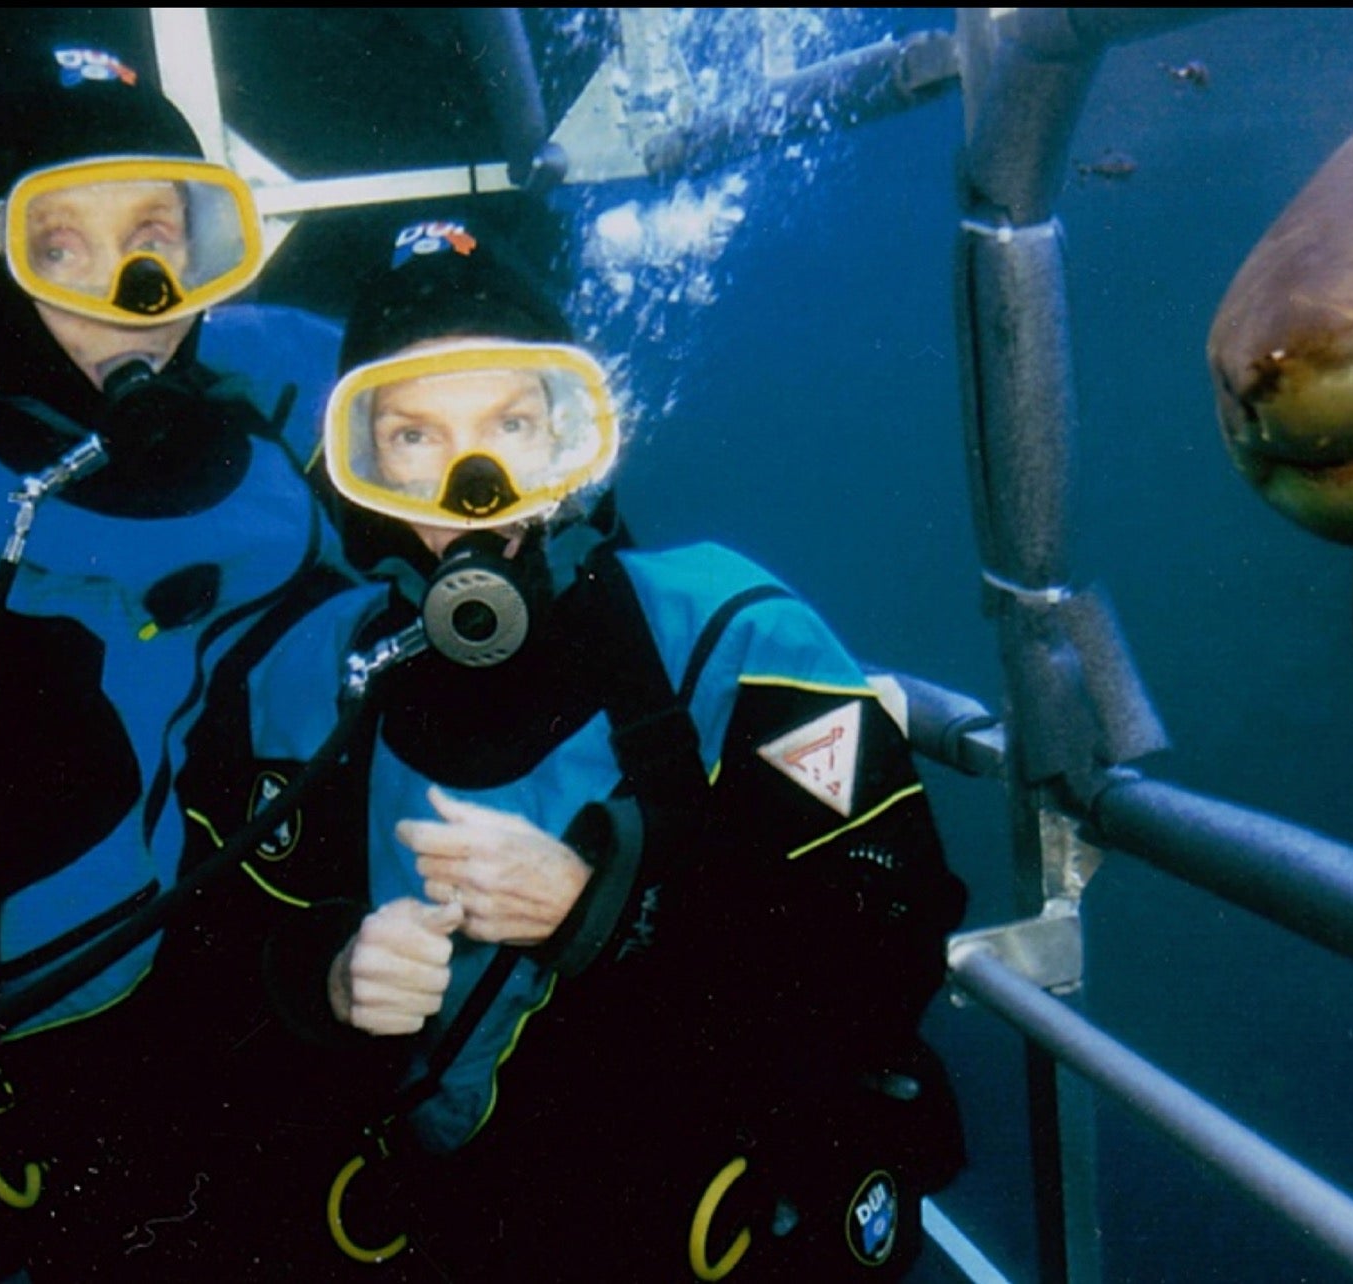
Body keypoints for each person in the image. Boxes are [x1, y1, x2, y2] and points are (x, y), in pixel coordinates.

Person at [219, 218, 969, 1280]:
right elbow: (222, 950)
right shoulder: (307, 682)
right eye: (413, 438)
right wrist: (327, 979)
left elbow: (890, 923)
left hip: (706, 1220)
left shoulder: (734, 634)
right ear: (356, 466)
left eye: (511, 423)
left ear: (574, 436)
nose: (469, 485)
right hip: (455, 1225)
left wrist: (609, 910)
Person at [0, 43, 347, 1281]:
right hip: (61, 1075)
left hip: (328, 1025)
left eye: (158, 234)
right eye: (58, 243)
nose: (132, 290)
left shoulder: (307, 392)